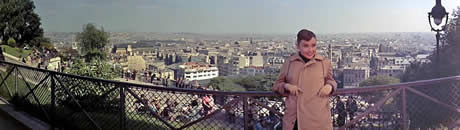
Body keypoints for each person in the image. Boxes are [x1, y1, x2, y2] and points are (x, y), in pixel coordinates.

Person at [272, 29, 337, 130]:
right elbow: (277, 85)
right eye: (306, 46)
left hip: (318, 119)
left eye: (313, 45)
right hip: (295, 120)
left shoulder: (324, 63)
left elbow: (331, 80)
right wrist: (287, 86)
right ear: (298, 46)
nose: (310, 50)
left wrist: (329, 86)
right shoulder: (289, 62)